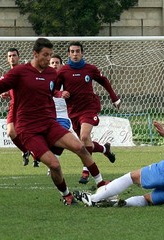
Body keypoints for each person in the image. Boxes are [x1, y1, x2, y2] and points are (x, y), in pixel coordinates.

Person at [0, 38, 108, 206]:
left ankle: (101, 184)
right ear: (35, 54)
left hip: (49, 123)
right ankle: (66, 195)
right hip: (28, 129)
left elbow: (53, 91)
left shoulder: (51, 73)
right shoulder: (20, 72)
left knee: (80, 147)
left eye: (50, 55)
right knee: (55, 165)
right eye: (45, 55)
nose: (48, 59)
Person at [55, 41, 121, 184]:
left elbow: (104, 81)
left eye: (77, 51)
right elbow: (52, 90)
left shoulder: (90, 69)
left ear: (82, 53)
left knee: (84, 137)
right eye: (72, 51)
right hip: (73, 111)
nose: (75, 54)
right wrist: (60, 93)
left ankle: (86, 171)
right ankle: (105, 149)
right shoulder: (63, 71)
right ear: (68, 54)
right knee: (83, 143)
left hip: (89, 108)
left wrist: (114, 98)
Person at [0, 48, 33, 166]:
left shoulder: (24, 72)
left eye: (14, 55)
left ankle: (39, 154)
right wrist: (7, 93)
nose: (12, 58)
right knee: (11, 132)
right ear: (7, 59)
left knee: (29, 133)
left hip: (26, 107)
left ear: (18, 57)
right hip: (14, 106)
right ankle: (26, 151)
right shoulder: (9, 74)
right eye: (9, 56)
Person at [47, 54, 71, 175]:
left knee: (61, 138)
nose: (55, 64)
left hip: (63, 116)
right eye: (52, 63)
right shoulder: (45, 80)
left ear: (61, 65)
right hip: (48, 116)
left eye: (57, 62)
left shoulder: (67, 80)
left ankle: (53, 162)